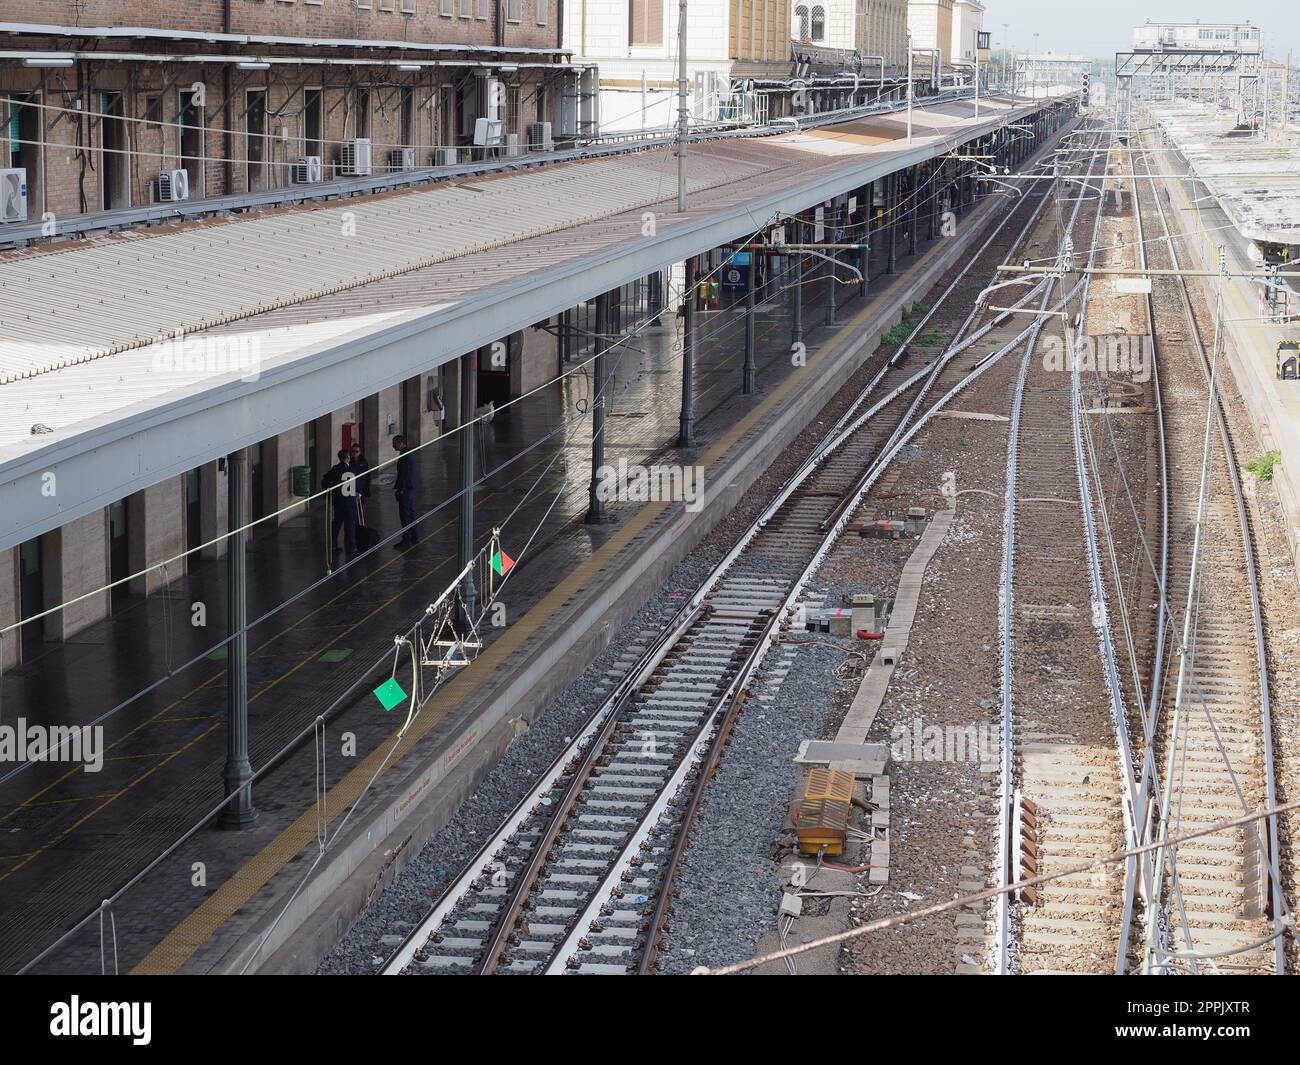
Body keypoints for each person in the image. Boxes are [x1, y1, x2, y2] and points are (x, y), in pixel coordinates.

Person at [322, 448, 358, 558]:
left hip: (338, 501)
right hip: (350, 501)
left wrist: (328, 493)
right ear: (348, 458)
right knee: (350, 524)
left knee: (337, 523)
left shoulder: (335, 469)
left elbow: (325, 480)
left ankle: (333, 545)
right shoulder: (352, 470)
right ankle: (351, 547)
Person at [392, 435, 418, 548]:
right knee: (410, 513)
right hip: (410, 488)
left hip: (406, 490)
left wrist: (401, 489)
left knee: (405, 515)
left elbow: (404, 475)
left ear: (401, 443)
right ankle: (414, 536)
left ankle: (406, 539)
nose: (393, 446)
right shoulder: (409, 454)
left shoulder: (405, 456)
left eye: (395, 443)